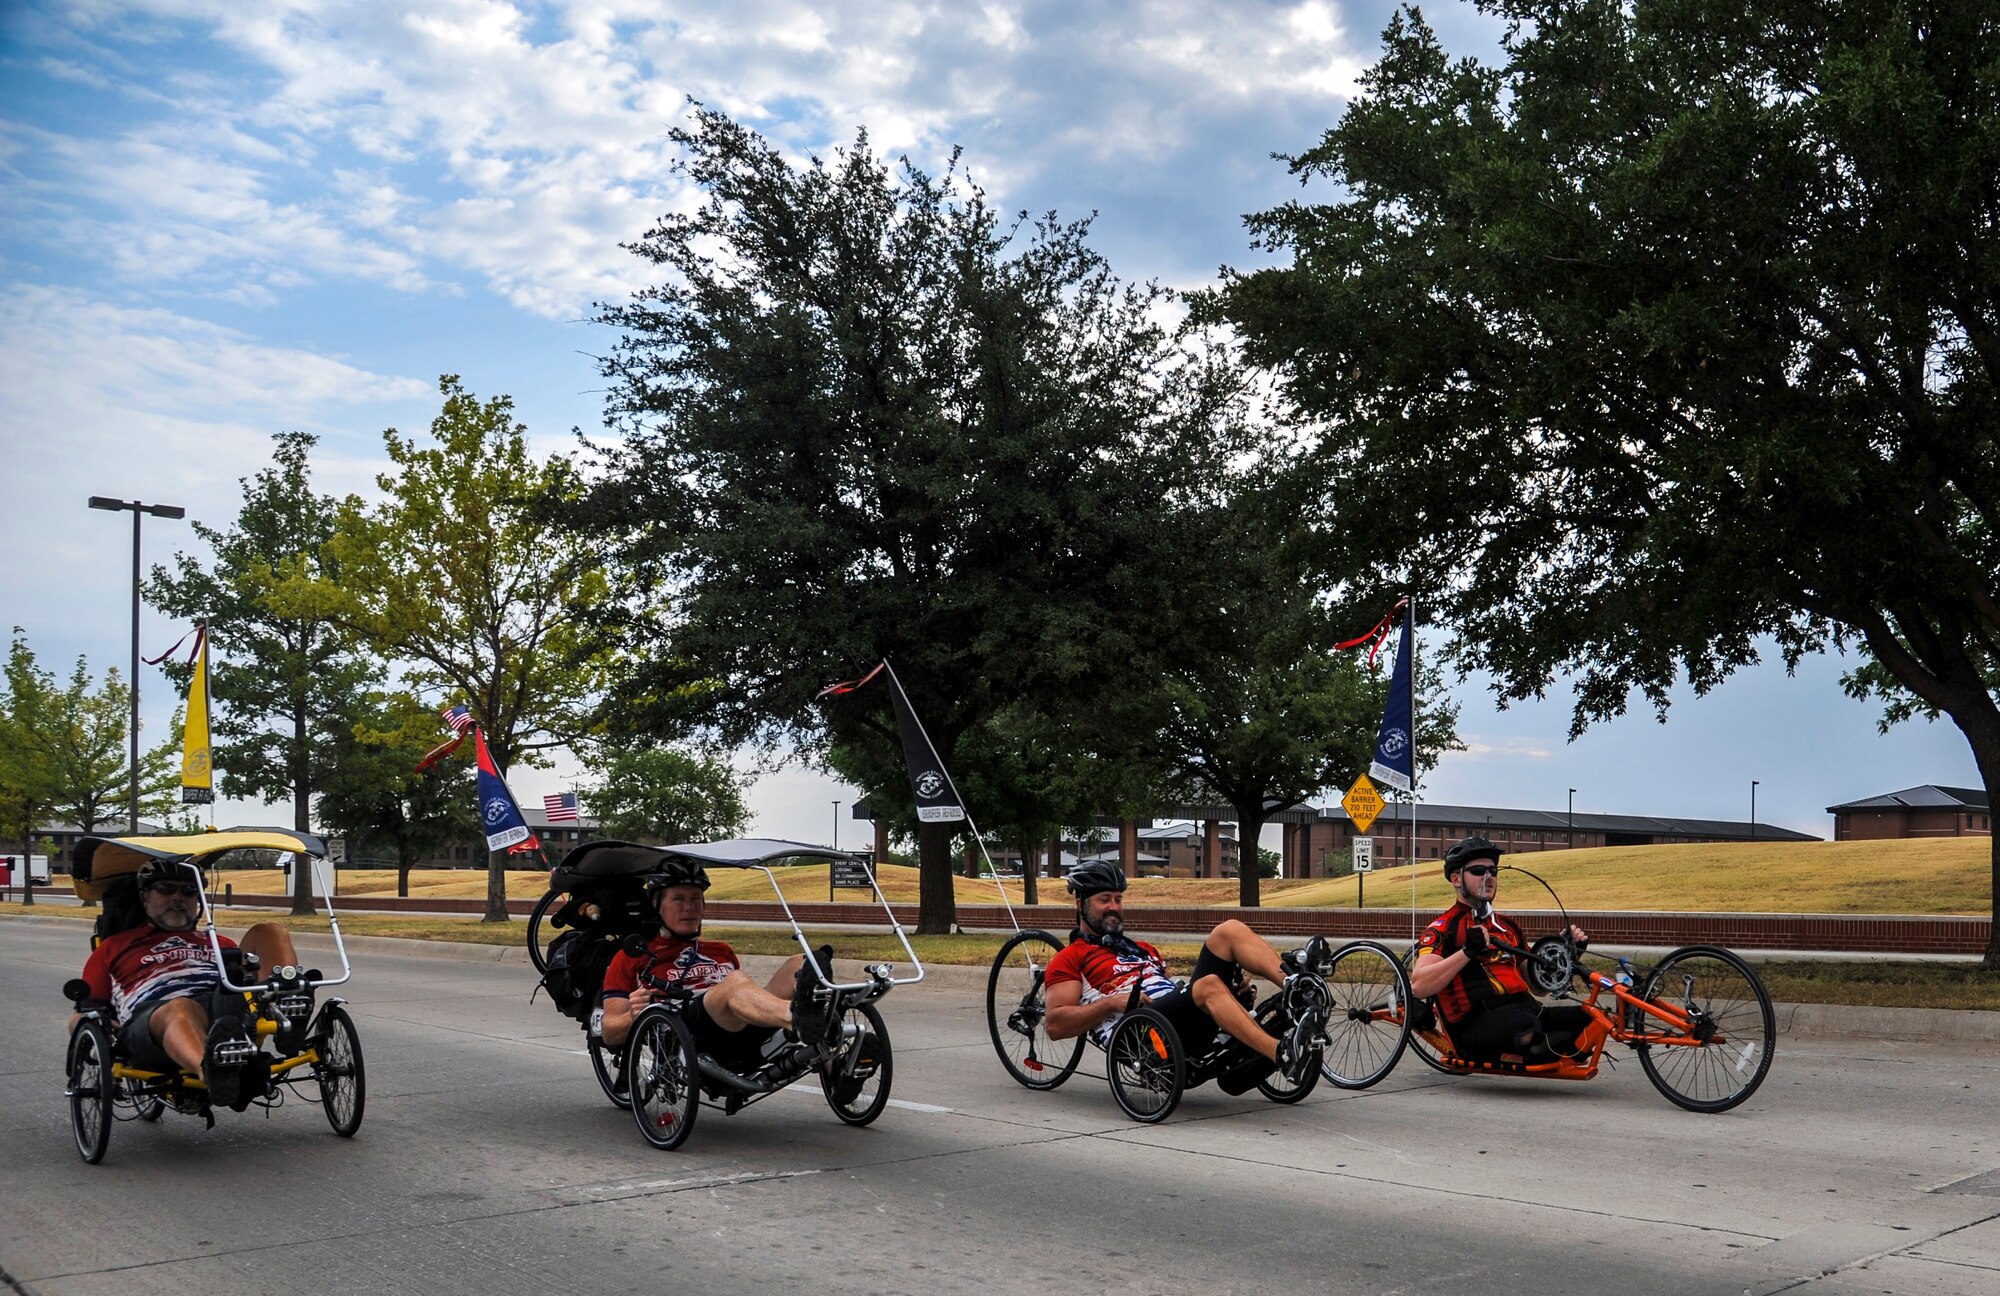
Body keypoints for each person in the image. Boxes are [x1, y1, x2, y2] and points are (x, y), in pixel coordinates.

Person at [1041, 860, 1326, 1085]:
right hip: (1142, 1032)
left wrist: (1235, 996)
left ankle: (1298, 986)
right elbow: (1055, 1025)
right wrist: (1113, 1003)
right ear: (1080, 904)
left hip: (1178, 1016)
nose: (1114, 907)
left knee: (1228, 931)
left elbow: (1173, 991)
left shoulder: (1143, 949)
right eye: (1105, 899)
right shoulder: (1071, 957)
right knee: (1209, 985)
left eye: (1118, 899)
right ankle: (1280, 1052)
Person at [74, 858, 304, 1111]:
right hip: (154, 1019)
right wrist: (103, 1027)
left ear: (198, 899)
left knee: (269, 930)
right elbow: (82, 1015)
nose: (177, 898)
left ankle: (287, 1002)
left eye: (188, 891)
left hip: (222, 1007)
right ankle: (213, 1072)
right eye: (165, 889)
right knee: (181, 1008)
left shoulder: (219, 942)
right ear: (145, 896)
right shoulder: (114, 947)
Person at [596, 858, 844, 1076]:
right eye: (678, 899)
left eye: (695, 899)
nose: (689, 907)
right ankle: (801, 1019)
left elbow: (745, 994)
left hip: (745, 1028)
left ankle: (838, 1069)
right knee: (734, 982)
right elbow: (609, 1032)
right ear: (657, 905)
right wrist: (632, 1015)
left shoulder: (720, 950)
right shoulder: (633, 954)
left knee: (802, 960)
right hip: (694, 1034)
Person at [1409, 836, 1592, 1063]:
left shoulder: (1507, 926)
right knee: (1528, 1028)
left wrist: (1566, 955)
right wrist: (1467, 951)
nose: (1489, 877)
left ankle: (1546, 1048)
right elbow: (1420, 986)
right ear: (1456, 879)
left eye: (1493, 871)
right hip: (1477, 1022)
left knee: (1591, 1019)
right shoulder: (1444, 927)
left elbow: (1537, 988)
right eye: (1478, 871)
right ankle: (1543, 1049)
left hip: (1527, 1010)